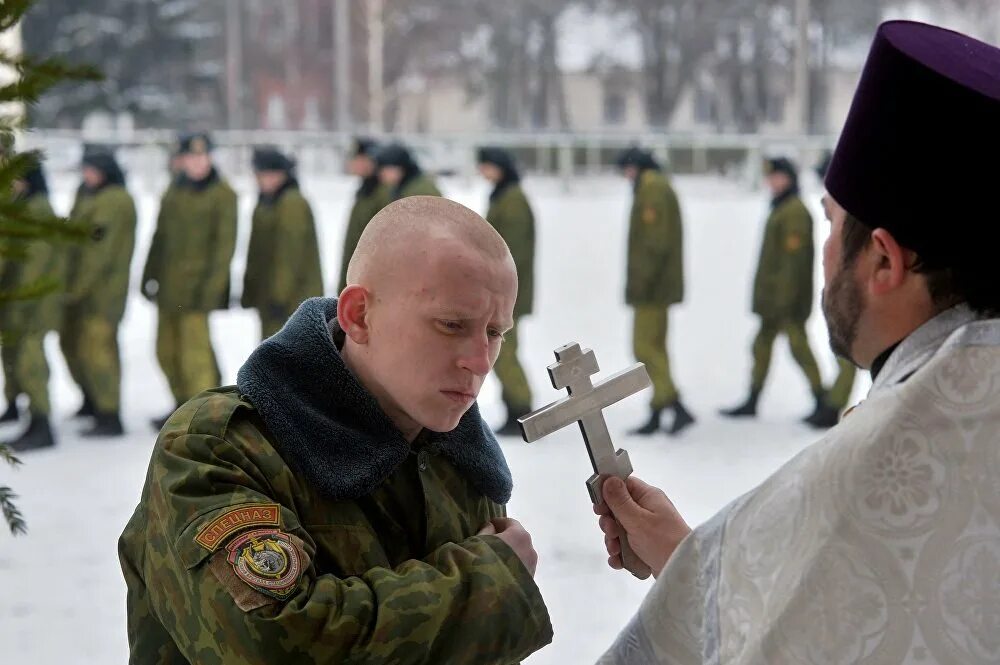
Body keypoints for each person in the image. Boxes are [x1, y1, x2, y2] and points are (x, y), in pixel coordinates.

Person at [594, 21, 1000, 664]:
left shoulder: (881, 463)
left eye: (833, 225)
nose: (825, 250)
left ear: (885, 262)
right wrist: (695, 562)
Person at [119, 196, 553, 663]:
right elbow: (279, 644)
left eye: (495, 332)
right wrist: (487, 583)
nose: (480, 361)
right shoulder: (218, 447)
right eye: (451, 325)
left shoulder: (460, 458)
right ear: (359, 316)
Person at [720, 157, 831, 426]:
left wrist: (783, 301)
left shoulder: (794, 211)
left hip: (787, 302)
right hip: (774, 301)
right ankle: (753, 399)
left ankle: (822, 399)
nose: (771, 182)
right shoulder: (781, 207)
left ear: (789, 178)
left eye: (777, 177)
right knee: (762, 347)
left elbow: (793, 265)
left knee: (799, 348)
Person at [141, 132, 237, 430]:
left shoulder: (223, 195)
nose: (196, 163)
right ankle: (182, 405)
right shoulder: (174, 191)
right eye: (191, 157)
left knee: (195, 356)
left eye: (202, 156)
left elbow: (224, 249)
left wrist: (212, 290)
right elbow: (160, 236)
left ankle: (203, 415)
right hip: (170, 288)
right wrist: (148, 273)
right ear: (181, 161)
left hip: (198, 290)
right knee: (166, 351)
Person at [617, 147, 695, 436]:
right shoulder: (656, 186)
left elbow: (654, 244)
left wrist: (640, 282)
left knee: (644, 347)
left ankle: (673, 403)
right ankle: (660, 406)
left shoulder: (652, 190)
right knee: (656, 348)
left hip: (652, 288)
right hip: (657, 286)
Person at [59, 147, 136, 437]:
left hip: (102, 292)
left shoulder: (114, 200)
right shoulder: (88, 193)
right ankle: (92, 399)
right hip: (82, 289)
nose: (86, 174)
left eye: (92, 169)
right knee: (76, 346)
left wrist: (75, 288)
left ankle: (109, 413)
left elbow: (98, 252)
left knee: (99, 351)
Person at [1, 159, 63, 451]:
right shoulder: (24, 207)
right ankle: (31, 415)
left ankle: (42, 423)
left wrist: (21, 298)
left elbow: (34, 263)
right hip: (23, 299)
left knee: (31, 361)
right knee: (21, 358)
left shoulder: (37, 210)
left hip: (33, 301)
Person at [476, 147, 536, 436]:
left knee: (506, 351)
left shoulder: (512, 200)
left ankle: (522, 407)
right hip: (501, 290)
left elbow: (512, 251)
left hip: (508, 292)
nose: (482, 172)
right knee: (502, 350)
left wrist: (499, 285)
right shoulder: (504, 195)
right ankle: (515, 406)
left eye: (486, 165)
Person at [241, 146, 323, 340]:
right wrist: (251, 291)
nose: (264, 179)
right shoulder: (268, 203)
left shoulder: (291, 203)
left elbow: (289, 256)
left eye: (271, 174)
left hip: (291, 302)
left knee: (288, 360)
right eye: (261, 174)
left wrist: (279, 297)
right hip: (273, 299)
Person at [338, 137, 391, 291]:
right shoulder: (365, 191)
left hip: (369, 284)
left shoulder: (382, 193)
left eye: (359, 159)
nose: (354, 164)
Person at [374, 142, 441, 201]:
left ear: (399, 169)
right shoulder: (401, 187)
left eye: (385, 171)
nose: (381, 175)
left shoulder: (421, 190)